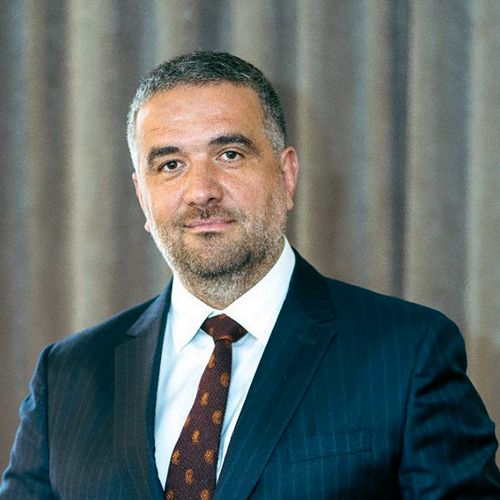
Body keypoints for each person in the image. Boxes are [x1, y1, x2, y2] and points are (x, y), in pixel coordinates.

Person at [1, 51, 499, 499]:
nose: (201, 190)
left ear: (286, 175)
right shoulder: (66, 377)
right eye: (170, 164)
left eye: (229, 155)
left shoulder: (408, 354)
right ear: (142, 197)